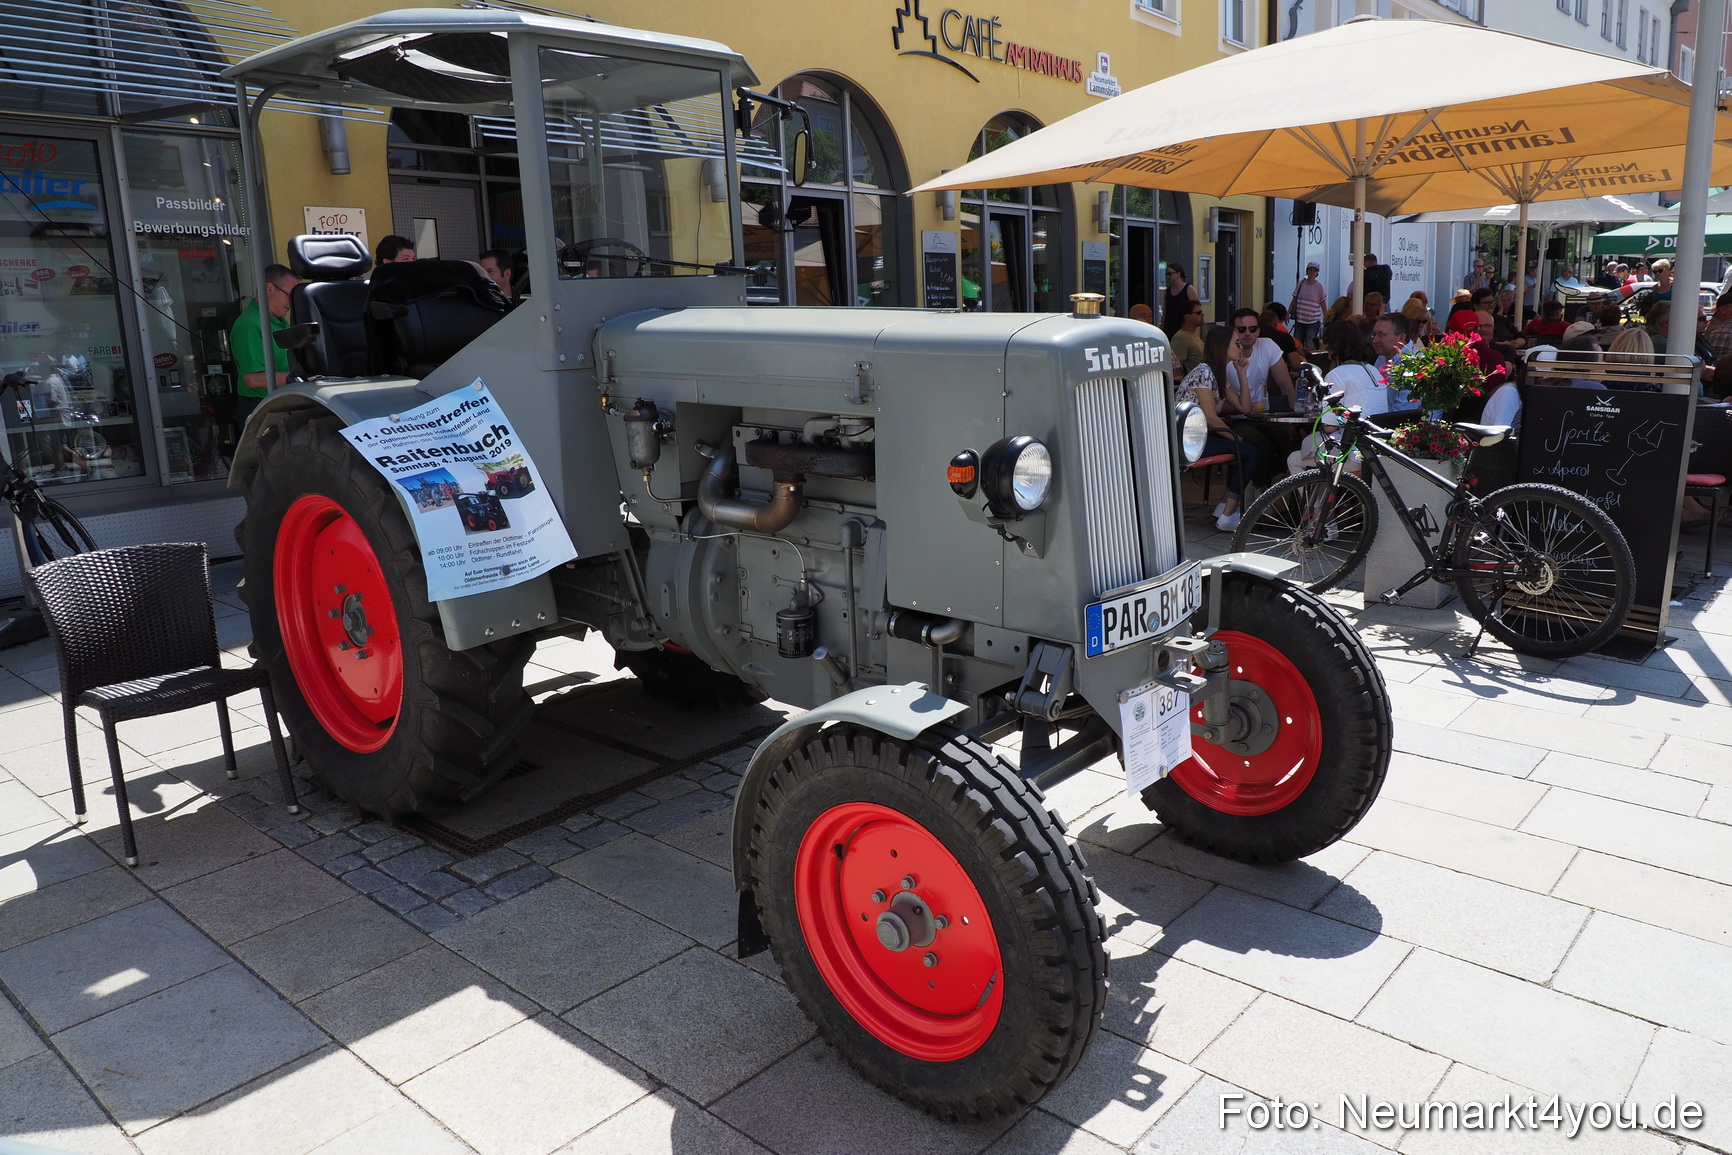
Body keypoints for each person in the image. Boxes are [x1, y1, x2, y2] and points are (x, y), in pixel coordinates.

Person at [1177, 325, 1261, 531]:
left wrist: (1242, 373)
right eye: (1236, 343)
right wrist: (1234, 438)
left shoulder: (1216, 373)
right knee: (1249, 452)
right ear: (1223, 346)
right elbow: (1211, 418)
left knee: (1249, 451)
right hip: (1187, 441)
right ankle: (1228, 514)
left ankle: (1225, 507)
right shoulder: (1204, 372)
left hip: (1198, 438)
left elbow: (1244, 407)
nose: (1240, 347)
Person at [230, 263, 301, 425]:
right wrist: (300, 378)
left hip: (280, 403)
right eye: (289, 296)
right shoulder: (249, 325)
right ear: (269, 288)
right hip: (260, 408)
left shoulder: (279, 321)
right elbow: (253, 379)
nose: (292, 303)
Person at [1226, 307, 1295, 411]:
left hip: (1263, 414)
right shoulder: (1223, 354)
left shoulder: (1267, 345)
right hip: (1234, 415)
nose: (1247, 333)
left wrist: (1291, 421)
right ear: (1232, 331)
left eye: (1252, 329)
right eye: (1241, 329)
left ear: (1258, 332)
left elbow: (1286, 386)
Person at [1289, 261, 1327, 349]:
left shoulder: (1320, 286)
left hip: (1313, 320)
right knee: (1298, 343)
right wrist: (1288, 313)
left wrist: (1326, 318)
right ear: (1307, 271)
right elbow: (1294, 299)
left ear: (1317, 272)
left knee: (1310, 344)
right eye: (1310, 270)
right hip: (1300, 319)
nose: (1312, 272)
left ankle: (1310, 360)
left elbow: (1323, 303)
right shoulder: (1301, 283)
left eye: (1315, 270)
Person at [1260, 303, 1303, 377]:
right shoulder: (1283, 335)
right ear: (1276, 324)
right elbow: (1296, 364)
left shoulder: (1251, 336)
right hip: (1277, 377)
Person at [1160, 263, 1199, 336]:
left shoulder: (1188, 289)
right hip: (1169, 327)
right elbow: (1165, 311)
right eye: (1167, 274)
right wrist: (1162, 328)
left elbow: (1196, 310)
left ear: (1178, 274)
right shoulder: (1167, 291)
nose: (1168, 276)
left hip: (1183, 327)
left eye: (1170, 273)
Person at [1168, 301, 1206, 376]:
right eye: (1198, 313)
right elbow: (1176, 368)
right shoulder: (1180, 338)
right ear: (1187, 317)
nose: (1202, 315)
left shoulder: (1193, 335)